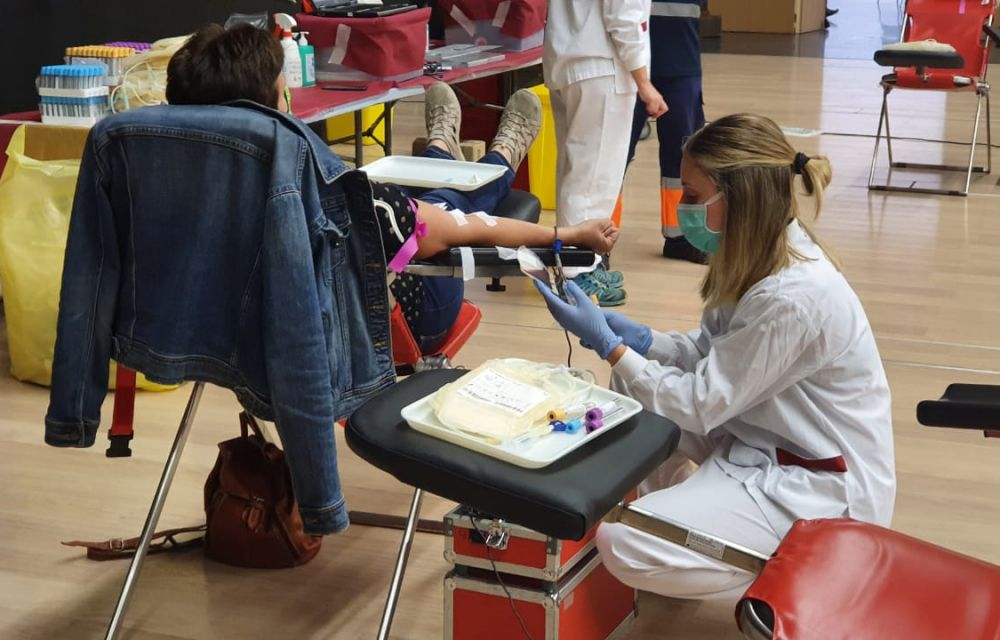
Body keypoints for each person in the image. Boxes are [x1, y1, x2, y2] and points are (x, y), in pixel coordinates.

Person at [535, 114, 895, 600]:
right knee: (632, 388)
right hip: (762, 439)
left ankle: (806, 581)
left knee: (624, 543)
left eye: (692, 194)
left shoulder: (792, 295)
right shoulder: (758, 256)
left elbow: (700, 402)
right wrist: (643, 341)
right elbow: (711, 355)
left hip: (816, 486)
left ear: (739, 198)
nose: (682, 207)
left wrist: (612, 347)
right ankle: (681, 518)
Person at [167, 24, 619, 355]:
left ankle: (442, 148)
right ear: (273, 111)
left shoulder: (169, 198)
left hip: (238, 346)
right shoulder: (333, 199)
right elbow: (471, 227)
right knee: (437, 204)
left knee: (394, 197)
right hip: (395, 325)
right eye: (286, 92)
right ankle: (499, 160)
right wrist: (566, 234)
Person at [544, 0, 668, 306]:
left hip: (570, 59)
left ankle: (579, 263)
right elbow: (623, 17)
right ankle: (577, 273)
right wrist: (644, 83)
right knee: (593, 180)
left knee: (576, 173)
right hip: (602, 66)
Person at [624, 0, 707, 264]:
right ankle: (598, 241)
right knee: (614, 157)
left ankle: (681, 238)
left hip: (682, 63)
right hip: (627, 65)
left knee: (685, 159)